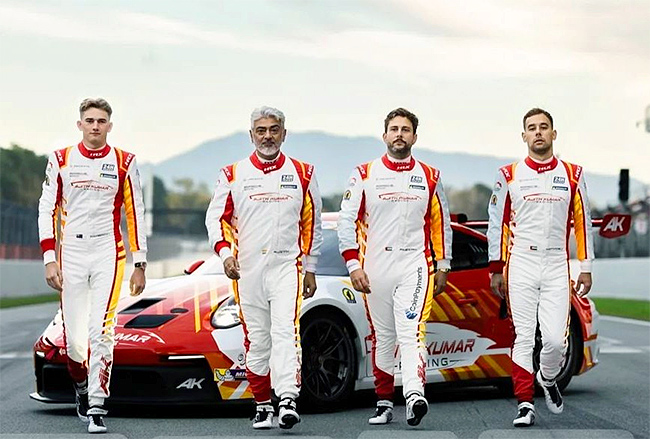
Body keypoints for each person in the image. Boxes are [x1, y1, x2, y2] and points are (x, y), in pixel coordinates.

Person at [205, 106, 322, 430]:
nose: (267, 136)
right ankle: (261, 405)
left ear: (284, 134)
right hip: (248, 269)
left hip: (287, 265)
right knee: (258, 340)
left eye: (274, 130)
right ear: (251, 134)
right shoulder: (232, 174)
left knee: (286, 332)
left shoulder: (303, 172)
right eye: (261, 130)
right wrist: (226, 254)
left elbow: (311, 224)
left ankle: (287, 399)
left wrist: (310, 267)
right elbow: (215, 219)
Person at [38, 98, 147, 434]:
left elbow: (135, 213)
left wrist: (139, 261)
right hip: (71, 250)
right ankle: (82, 386)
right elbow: (46, 210)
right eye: (90, 120)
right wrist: (49, 258)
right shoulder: (61, 159)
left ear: (109, 126)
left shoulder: (124, 162)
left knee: (102, 330)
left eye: (101, 121)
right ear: (80, 125)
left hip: (107, 251)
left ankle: (98, 403)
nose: (95, 126)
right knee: (74, 342)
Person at [338, 108, 452, 427]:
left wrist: (443, 264)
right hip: (375, 265)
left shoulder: (430, 176)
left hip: (414, 263)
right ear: (384, 135)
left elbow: (441, 223)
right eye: (394, 129)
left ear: (415, 136)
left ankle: (414, 395)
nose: (399, 134)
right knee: (384, 337)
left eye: (405, 129)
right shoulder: (364, 173)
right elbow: (346, 221)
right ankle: (384, 401)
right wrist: (352, 264)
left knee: (412, 331)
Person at [487, 108, 594, 427]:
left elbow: (583, 222)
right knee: (523, 337)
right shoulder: (508, 175)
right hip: (520, 262)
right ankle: (524, 403)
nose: (538, 133)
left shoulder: (573, 174)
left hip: (556, 265)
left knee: (556, 342)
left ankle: (547, 378)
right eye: (531, 128)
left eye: (543, 127)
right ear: (524, 136)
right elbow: (496, 224)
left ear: (553, 134)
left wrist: (585, 267)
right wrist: (495, 267)